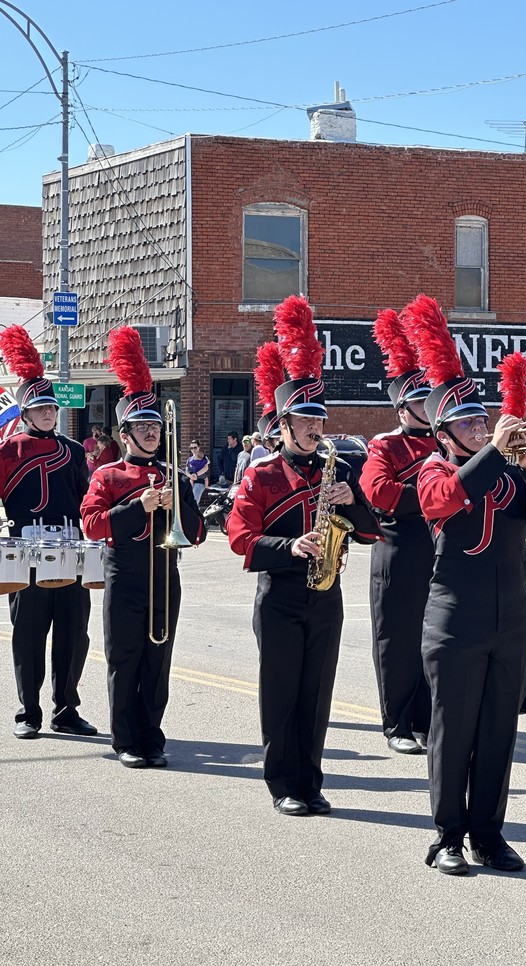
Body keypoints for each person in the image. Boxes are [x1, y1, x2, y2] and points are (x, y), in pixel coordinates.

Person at [403, 296, 526, 875]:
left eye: (482, 421)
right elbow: (443, 503)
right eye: (469, 423)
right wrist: (497, 450)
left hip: (510, 619)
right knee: (454, 730)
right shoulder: (436, 469)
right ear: (445, 434)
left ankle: (489, 835)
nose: (479, 428)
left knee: (500, 730)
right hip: (454, 618)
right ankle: (447, 835)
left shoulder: (509, 470)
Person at [227, 296, 380, 816]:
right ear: (286, 423)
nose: (318, 428)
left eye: (321, 418)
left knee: (317, 695)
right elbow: (240, 538)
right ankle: (283, 784)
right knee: (282, 695)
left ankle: (311, 782)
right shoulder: (262, 473)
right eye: (307, 420)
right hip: (281, 595)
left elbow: (370, 534)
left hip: (327, 593)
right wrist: (289, 546)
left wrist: (353, 500)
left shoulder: (338, 469)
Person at [81, 326, 206, 768]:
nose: (152, 433)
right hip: (126, 577)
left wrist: (180, 504)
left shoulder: (175, 473)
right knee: (125, 660)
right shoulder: (107, 475)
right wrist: (139, 505)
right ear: (126, 431)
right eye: (143, 427)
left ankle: (152, 736)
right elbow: (92, 525)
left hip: (165, 578)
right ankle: (126, 740)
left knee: (158, 663)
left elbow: (196, 535)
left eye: (155, 426)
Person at [0, 325, 96, 738]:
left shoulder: (73, 450)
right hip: (24, 552)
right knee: (28, 635)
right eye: (41, 409)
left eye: (52, 409)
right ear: (25, 414)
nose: (49, 414)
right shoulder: (5, 451)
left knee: (74, 635)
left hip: (70, 551)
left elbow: (87, 500)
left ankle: (66, 708)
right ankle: (28, 711)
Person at [360, 308, 436, 754]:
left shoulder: (447, 443)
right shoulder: (384, 445)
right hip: (398, 550)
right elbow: (380, 493)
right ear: (401, 407)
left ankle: (427, 719)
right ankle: (397, 724)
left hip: (439, 552)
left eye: (431, 401)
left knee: (433, 638)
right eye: (419, 402)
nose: (427, 408)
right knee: (396, 639)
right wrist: (439, 495)